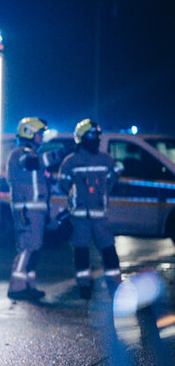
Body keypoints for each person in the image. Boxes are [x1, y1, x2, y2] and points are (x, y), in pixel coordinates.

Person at [57, 119, 122, 300]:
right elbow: (63, 183)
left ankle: (115, 284)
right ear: (82, 138)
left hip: (99, 216)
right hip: (79, 218)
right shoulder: (71, 161)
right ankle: (84, 285)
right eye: (92, 136)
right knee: (81, 252)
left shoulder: (105, 159)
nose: (96, 139)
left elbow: (114, 176)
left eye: (97, 136)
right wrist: (78, 195)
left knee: (109, 250)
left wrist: (103, 193)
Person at [5, 117, 52, 302]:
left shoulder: (33, 156)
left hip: (36, 209)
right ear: (29, 133)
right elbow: (31, 163)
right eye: (39, 134)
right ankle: (16, 287)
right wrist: (59, 154)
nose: (41, 138)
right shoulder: (20, 155)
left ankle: (29, 285)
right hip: (26, 210)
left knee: (35, 248)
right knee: (27, 247)